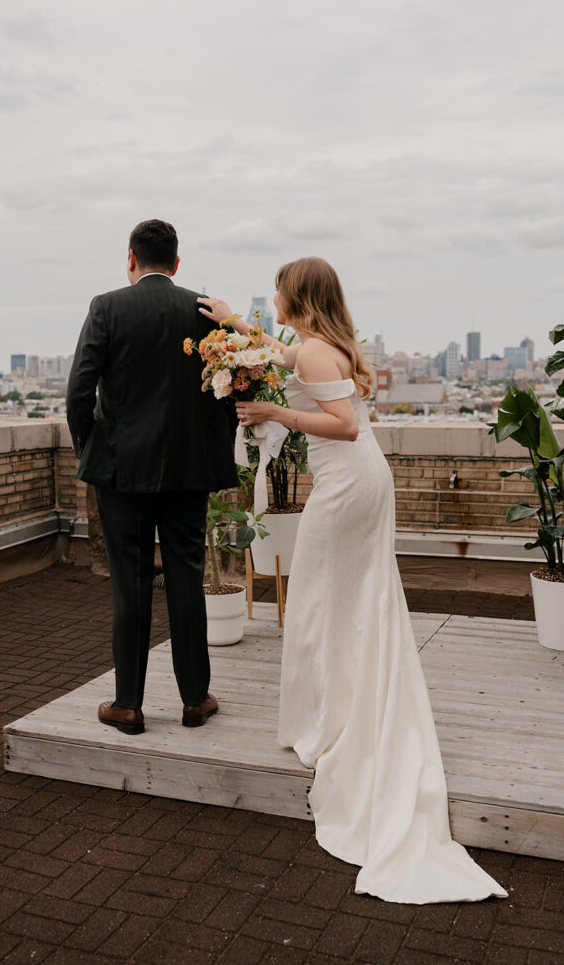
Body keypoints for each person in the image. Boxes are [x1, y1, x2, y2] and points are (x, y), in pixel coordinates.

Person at [199, 257, 507, 904]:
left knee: (314, 603)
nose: (273, 294)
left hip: (345, 485)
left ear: (297, 295)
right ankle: (334, 706)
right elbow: (284, 358)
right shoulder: (319, 346)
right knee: (344, 601)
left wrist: (269, 414)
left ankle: (327, 717)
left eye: (278, 287)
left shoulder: (315, 351)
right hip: (357, 480)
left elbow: (341, 424)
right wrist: (234, 325)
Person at [67, 219, 238, 735]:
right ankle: (194, 700)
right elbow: (230, 390)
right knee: (186, 579)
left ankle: (128, 705)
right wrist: (209, 450)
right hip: (188, 471)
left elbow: (79, 392)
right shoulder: (205, 310)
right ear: (177, 262)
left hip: (121, 471)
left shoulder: (107, 307)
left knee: (131, 584)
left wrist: (94, 450)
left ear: (131, 259)